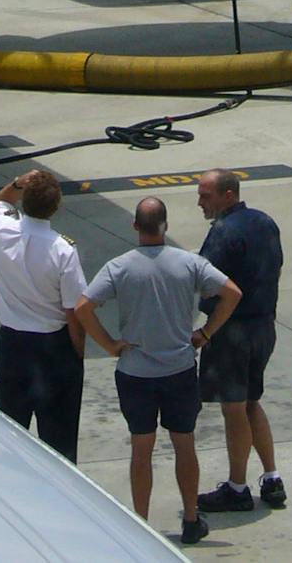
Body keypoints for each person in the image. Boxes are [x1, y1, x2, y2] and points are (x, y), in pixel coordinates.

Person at [76, 196, 242, 547]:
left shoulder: (118, 267)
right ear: (165, 226)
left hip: (135, 372)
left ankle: (140, 523)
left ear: (135, 226)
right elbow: (231, 293)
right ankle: (191, 519)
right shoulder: (189, 264)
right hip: (179, 369)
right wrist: (206, 333)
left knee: (141, 448)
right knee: (184, 444)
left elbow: (83, 307)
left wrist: (109, 345)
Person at [192, 169, 287, 514]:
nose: (200, 202)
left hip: (231, 332)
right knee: (250, 402)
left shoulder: (223, 231)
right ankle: (272, 477)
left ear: (228, 195)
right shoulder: (265, 222)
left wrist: (206, 331)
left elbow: (206, 285)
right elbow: (276, 267)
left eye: (206, 196)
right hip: (264, 327)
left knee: (233, 408)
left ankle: (236, 487)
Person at [0, 168, 88, 459]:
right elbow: (74, 311)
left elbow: (1, 201)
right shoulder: (62, 250)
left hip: (12, 344)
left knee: (10, 435)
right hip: (52, 348)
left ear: (25, 201)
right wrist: (77, 353)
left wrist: (18, 181)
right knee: (59, 441)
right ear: (55, 207)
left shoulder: (1, 230)